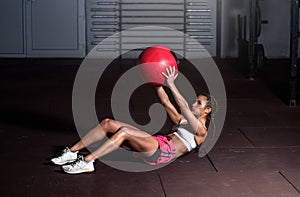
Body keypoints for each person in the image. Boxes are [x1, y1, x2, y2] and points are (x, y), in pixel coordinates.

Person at [51, 66, 215, 174]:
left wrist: (171, 84)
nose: (195, 104)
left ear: (207, 110)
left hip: (162, 152)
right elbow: (166, 102)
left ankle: (88, 161)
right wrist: (156, 78)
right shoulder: (183, 121)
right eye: (195, 100)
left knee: (123, 132)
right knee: (108, 123)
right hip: (157, 141)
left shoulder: (201, 130)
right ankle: (71, 153)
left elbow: (184, 107)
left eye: (198, 103)